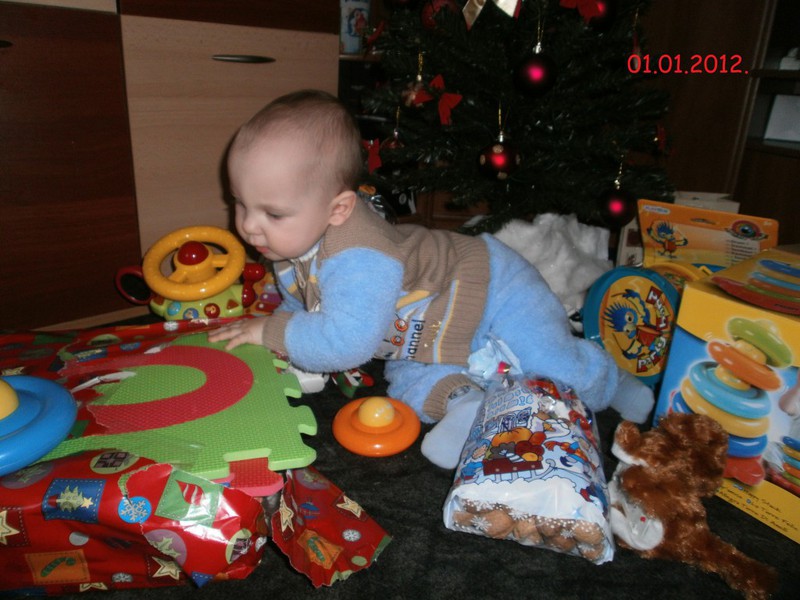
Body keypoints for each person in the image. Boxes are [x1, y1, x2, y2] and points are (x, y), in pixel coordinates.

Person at [208, 89, 654, 469]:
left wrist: (272, 331)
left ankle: (608, 380)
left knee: (548, 359)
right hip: (423, 324)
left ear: (339, 209)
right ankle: (466, 406)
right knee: (408, 383)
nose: (249, 226)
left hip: (490, 286)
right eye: (240, 203)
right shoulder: (289, 242)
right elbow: (303, 300)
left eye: (273, 213)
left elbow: (348, 343)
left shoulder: (359, 257)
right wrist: (281, 336)